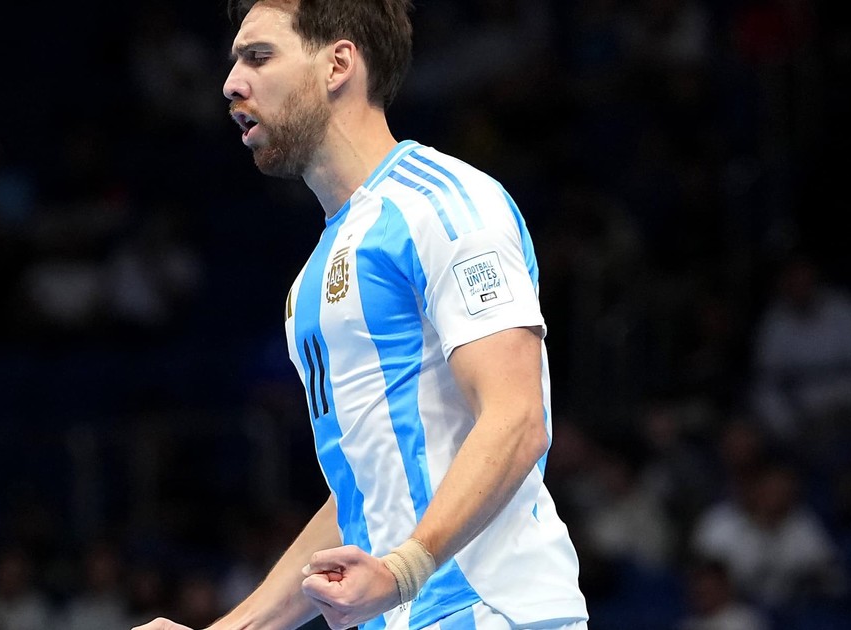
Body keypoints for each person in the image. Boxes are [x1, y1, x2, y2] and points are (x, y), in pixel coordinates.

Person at [133, 1, 588, 630]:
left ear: (338, 64)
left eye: (259, 56)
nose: (231, 83)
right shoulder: (309, 283)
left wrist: (404, 569)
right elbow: (368, 494)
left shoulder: (444, 204)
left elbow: (517, 419)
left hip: (494, 610)